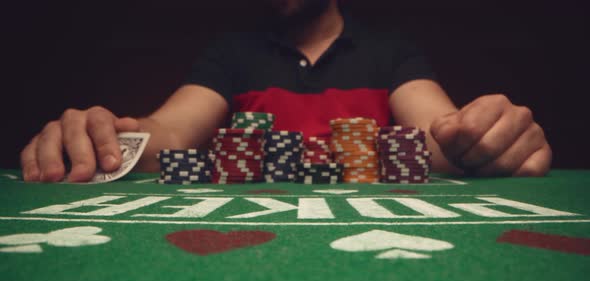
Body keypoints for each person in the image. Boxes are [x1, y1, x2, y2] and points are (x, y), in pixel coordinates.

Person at [19, 0, 552, 183]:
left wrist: (483, 136)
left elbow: (439, 133)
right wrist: (107, 134)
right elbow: (168, 133)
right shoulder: (232, 54)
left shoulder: (391, 52)